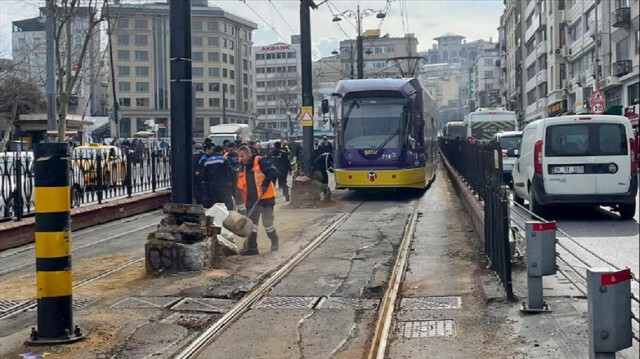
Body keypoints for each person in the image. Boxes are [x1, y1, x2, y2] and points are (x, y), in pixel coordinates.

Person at [236, 145, 279, 255]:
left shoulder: (259, 161)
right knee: (252, 224)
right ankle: (252, 248)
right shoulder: (242, 166)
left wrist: (265, 184)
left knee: (267, 223)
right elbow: (241, 185)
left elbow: (273, 172)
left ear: (249, 153)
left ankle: (274, 241)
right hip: (251, 199)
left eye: (242, 156)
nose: (241, 158)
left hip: (266, 198)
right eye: (239, 156)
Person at [201, 145, 236, 210]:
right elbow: (231, 172)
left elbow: (204, 176)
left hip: (212, 187)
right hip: (223, 186)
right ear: (221, 151)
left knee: (215, 206)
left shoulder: (207, 161)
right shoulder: (223, 159)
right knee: (227, 205)